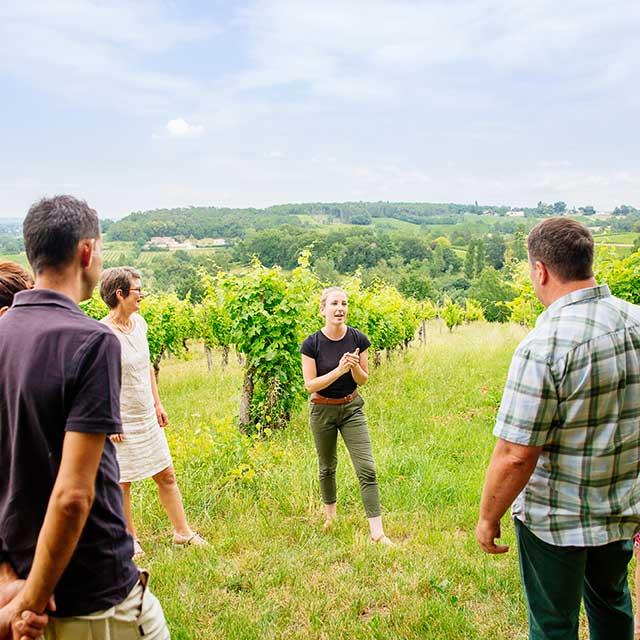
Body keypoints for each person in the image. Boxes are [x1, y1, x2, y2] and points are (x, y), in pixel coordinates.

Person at [0, 196, 170, 639]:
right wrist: (31, 602)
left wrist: (11, 584)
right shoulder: (92, 341)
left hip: (20, 582)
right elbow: (75, 495)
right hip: (94, 594)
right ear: (87, 252)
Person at [476, 217, 640, 640]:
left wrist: (487, 518)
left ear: (541, 270)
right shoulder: (636, 322)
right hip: (622, 505)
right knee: (612, 605)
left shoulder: (544, 345)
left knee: (553, 625)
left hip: (557, 520)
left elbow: (516, 454)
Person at [100, 267, 207, 555]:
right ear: (120, 294)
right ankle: (129, 540)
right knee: (123, 483)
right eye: (137, 290)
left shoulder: (140, 324)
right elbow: (98, 382)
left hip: (145, 415)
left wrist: (157, 404)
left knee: (167, 474)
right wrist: (110, 421)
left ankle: (182, 532)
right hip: (120, 421)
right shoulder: (103, 334)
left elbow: (146, 366)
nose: (142, 295)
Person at [300, 286, 392, 544]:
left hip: (352, 408)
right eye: (334, 304)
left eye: (344, 303)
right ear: (323, 310)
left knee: (367, 469)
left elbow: (363, 379)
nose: (340, 308)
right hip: (322, 409)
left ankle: (377, 533)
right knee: (327, 466)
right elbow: (310, 385)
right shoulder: (311, 344)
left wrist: (352, 369)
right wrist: (339, 371)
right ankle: (330, 517)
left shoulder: (358, 339)